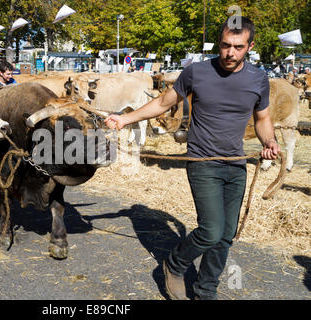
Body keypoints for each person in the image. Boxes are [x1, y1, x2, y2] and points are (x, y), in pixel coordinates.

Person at [104, 16, 279, 300]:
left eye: (237, 47)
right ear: (218, 42)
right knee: (211, 231)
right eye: (224, 45)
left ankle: (205, 290)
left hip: (236, 164)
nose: (230, 53)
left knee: (226, 235)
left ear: (250, 46)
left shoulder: (258, 79)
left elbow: (263, 118)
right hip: (202, 162)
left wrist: (269, 141)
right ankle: (174, 265)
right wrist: (125, 119)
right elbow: (163, 102)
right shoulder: (197, 72)